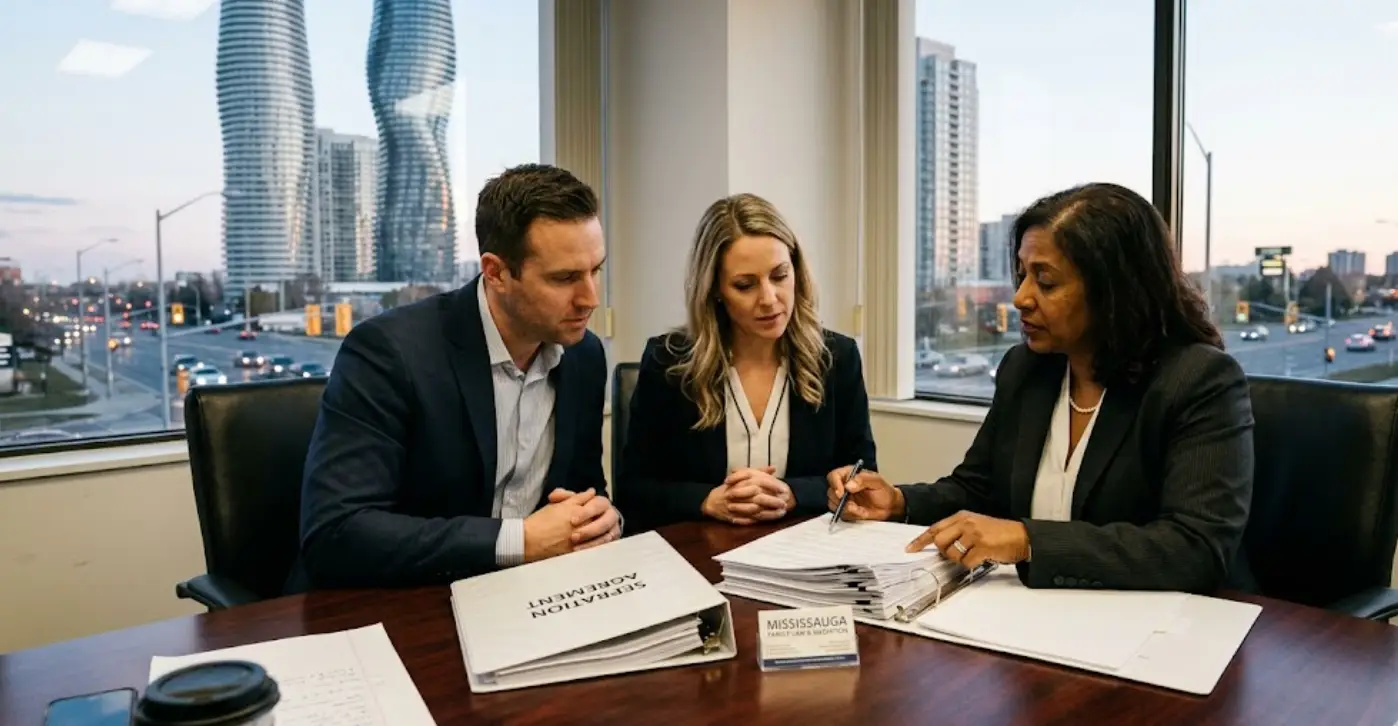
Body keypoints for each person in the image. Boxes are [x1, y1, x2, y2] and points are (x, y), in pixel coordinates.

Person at [828, 182, 1255, 594]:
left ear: (1114, 291)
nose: (1021, 298)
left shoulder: (1199, 381)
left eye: (1045, 282)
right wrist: (899, 502)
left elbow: (1196, 547)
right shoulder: (1028, 369)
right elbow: (978, 488)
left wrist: (1026, 540)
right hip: (1033, 617)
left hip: (1156, 635)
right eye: (1022, 276)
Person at [289, 163, 620, 591]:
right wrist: (521, 541)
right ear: (496, 272)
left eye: (595, 270)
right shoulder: (390, 353)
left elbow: (582, 492)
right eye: (565, 278)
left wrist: (601, 521)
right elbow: (337, 533)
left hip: (528, 600)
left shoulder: (584, 356)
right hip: (401, 605)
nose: (590, 298)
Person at [618, 193, 876, 533]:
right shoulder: (669, 361)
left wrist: (793, 494)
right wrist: (707, 500)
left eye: (780, 276)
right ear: (715, 290)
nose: (769, 299)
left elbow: (862, 477)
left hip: (806, 560)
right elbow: (633, 490)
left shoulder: (837, 358)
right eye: (745, 285)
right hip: (698, 558)